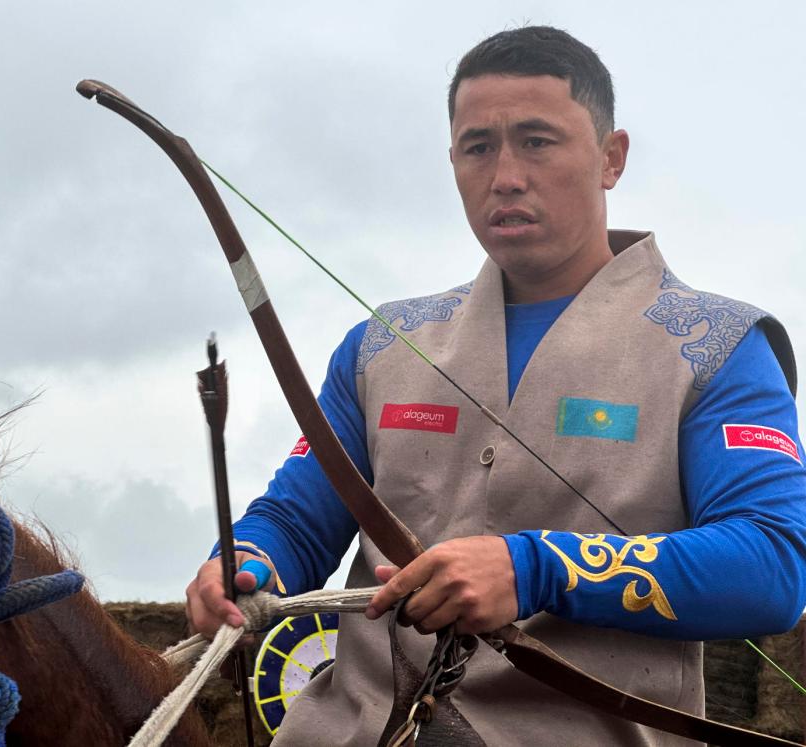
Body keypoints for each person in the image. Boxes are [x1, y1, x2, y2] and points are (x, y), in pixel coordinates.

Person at [185, 25, 806, 746]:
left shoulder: (717, 344)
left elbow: (772, 564)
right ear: (453, 160)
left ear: (612, 158)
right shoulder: (380, 346)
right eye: (478, 147)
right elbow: (295, 522)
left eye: (537, 141)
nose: (505, 174)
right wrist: (245, 564)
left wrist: (534, 567)